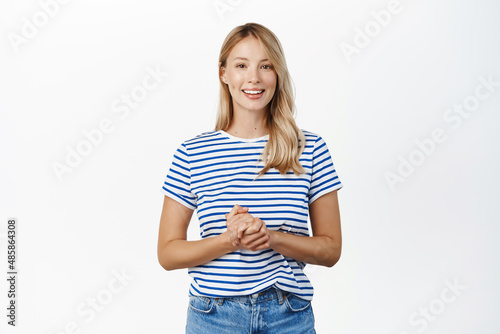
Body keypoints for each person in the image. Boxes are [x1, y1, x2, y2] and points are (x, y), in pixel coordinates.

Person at [157, 22, 343, 334]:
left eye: (265, 66)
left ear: (278, 74)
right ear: (224, 73)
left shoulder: (310, 149)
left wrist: (272, 238)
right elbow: (167, 252)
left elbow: (330, 250)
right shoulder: (192, 153)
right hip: (213, 316)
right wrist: (229, 241)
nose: (253, 78)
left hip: (288, 314)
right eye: (241, 65)